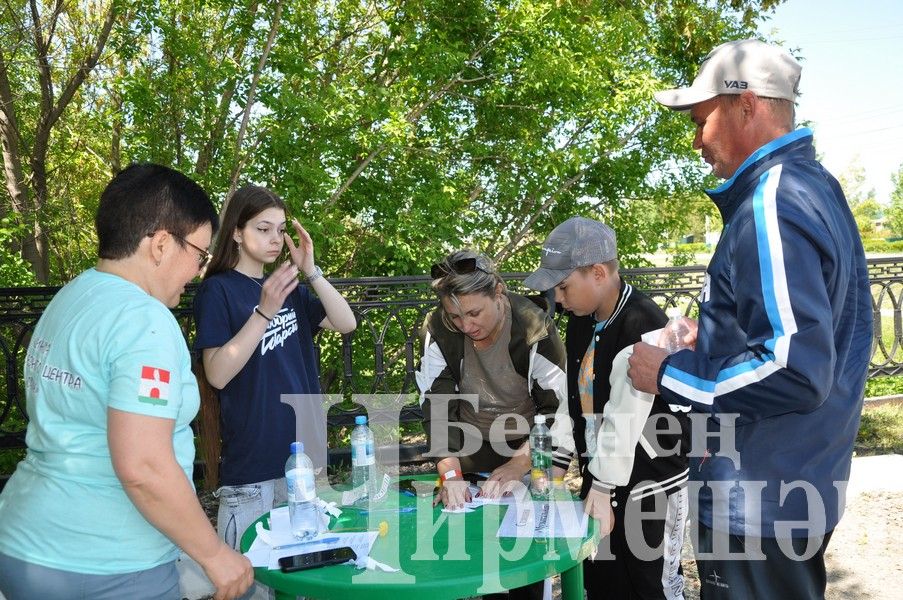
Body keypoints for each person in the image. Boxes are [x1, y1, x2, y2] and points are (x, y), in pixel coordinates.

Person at [627, 39, 872, 599]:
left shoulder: (771, 201)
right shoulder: (815, 188)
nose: (696, 142)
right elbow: (822, 334)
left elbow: (794, 368)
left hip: (758, 498)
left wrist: (669, 372)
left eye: (700, 119)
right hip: (798, 479)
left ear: (746, 105)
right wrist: (708, 342)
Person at [0, 163, 253, 600]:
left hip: (24, 544)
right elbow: (144, 467)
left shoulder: (73, 296)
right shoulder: (144, 322)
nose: (198, 271)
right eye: (198, 253)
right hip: (106, 565)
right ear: (159, 245)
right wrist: (215, 554)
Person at [524, 216, 690, 600]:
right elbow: (573, 398)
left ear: (598, 273)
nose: (558, 300)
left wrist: (599, 486)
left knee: (652, 586)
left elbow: (627, 415)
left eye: (563, 287)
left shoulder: (643, 322)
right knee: (602, 580)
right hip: (603, 479)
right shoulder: (581, 320)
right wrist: (559, 462)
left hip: (650, 486)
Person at [193, 185, 356, 562]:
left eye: (280, 230)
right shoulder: (218, 291)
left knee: (299, 578)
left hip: (299, 461)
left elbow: (346, 323)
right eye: (263, 228)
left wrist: (310, 270)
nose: (275, 239)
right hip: (252, 467)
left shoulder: (289, 290)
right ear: (236, 231)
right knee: (251, 580)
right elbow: (216, 375)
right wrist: (264, 311)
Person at [415, 249, 571, 600]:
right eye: (454, 315)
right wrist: (450, 474)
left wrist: (520, 463)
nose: (465, 325)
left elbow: (558, 409)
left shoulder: (533, 326)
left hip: (528, 446)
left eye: (474, 312)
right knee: (472, 557)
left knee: (526, 561)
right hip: (466, 449)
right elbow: (436, 406)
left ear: (498, 292)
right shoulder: (437, 327)